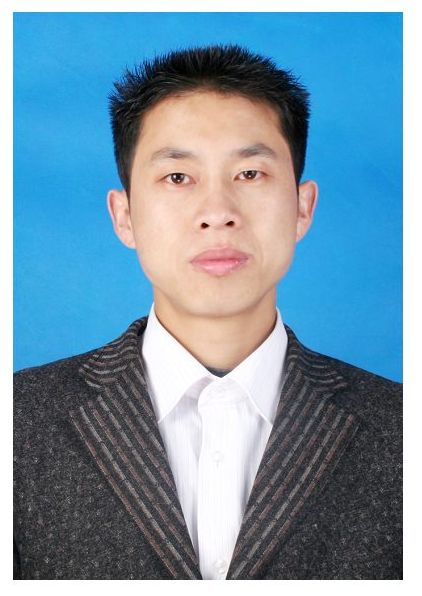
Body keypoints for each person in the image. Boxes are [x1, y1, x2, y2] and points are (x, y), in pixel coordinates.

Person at [13, 44, 402, 580]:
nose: (218, 213)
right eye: (178, 177)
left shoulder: (402, 430)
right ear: (124, 217)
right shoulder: (17, 423)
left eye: (250, 173)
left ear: (302, 207)